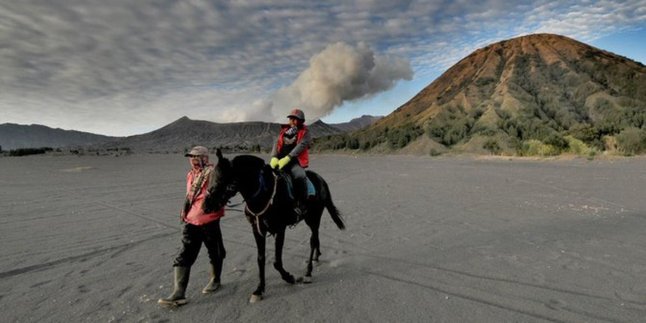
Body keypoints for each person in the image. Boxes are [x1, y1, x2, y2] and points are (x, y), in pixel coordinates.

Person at [158, 146, 226, 307]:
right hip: (191, 221)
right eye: (191, 157)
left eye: (197, 157)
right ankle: (178, 293)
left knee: (215, 251)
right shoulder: (190, 175)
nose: (193, 160)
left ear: (204, 158)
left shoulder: (214, 173)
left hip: (210, 219)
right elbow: (189, 195)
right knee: (185, 253)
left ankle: (215, 280)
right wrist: (184, 209)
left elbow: (221, 193)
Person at [270, 108, 312, 217]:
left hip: (294, 161)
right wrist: (274, 157)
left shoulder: (305, 132)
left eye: (295, 119)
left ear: (301, 121)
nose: (292, 121)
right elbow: (276, 143)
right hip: (279, 159)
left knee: (300, 175)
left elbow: (301, 146)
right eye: (291, 119)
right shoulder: (283, 131)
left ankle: (301, 204)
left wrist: (288, 157)